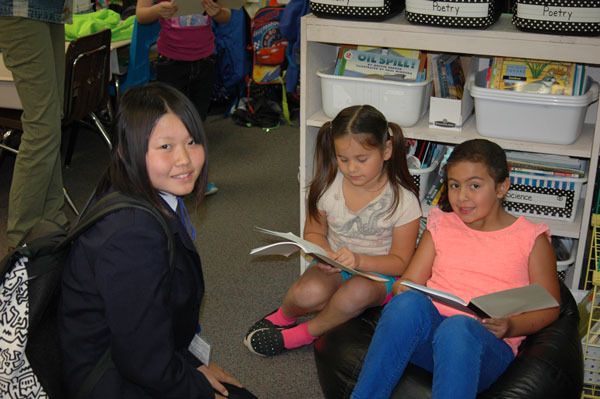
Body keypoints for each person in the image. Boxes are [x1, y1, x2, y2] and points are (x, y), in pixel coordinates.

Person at [59, 82, 256, 399]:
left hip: (132, 354)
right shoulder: (132, 234)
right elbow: (142, 361)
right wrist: (194, 383)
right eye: (165, 147)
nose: (184, 159)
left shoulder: (138, 190)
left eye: (191, 142)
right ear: (128, 151)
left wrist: (189, 364)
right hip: (111, 378)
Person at [352, 138, 561, 399]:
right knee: (406, 305)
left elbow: (550, 306)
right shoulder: (441, 224)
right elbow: (408, 282)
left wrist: (510, 326)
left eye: (474, 185)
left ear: (501, 187)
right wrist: (403, 288)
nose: (462, 196)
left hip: (486, 346)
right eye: (454, 185)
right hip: (430, 337)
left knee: (458, 329)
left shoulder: (530, 238)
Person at [244, 104, 422, 356]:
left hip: (379, 277)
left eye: (362, 159)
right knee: (306, 293)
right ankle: (283, 316)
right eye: (343, 159)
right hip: (337, 267)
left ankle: (305, 333)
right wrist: (323, 253)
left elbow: (402, 262)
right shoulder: (328, 188)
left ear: (387, 150)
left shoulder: (403, 201)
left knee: (354, 294)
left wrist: (359, 260)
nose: (351, 168)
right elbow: (314, 233)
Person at [136, 0, 229, 196]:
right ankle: (165, 181)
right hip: (172, 62)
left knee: (196, 124)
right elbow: (141, 15)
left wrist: (217, 11)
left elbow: (226, 16)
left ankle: (195, 179)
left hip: (205, 61)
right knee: (168, 126)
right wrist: (157, 10)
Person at [0, 0, 71, 252]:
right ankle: (22, 242)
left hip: (50, 8)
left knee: (51, 121)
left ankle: (52, 222)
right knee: (42, 127)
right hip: (20, 8)